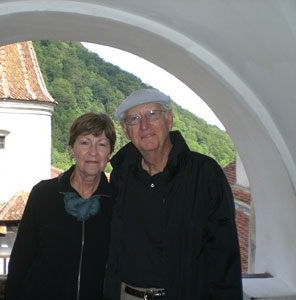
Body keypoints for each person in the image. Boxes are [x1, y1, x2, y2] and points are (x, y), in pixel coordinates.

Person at [104, 88, 243, 300]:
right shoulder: (122, 175)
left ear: (169, 119)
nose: (144, 125)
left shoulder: (204, 174)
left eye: (152, 114)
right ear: (125, 130)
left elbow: (224, 257)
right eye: (134, 119)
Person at [5, 112, 116, 300]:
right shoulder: (44, 194)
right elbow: (20, 261)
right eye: (85, 142)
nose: (93, 152)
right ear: (72, 148)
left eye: (102, 144)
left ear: (110, 152)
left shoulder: (116, 201)